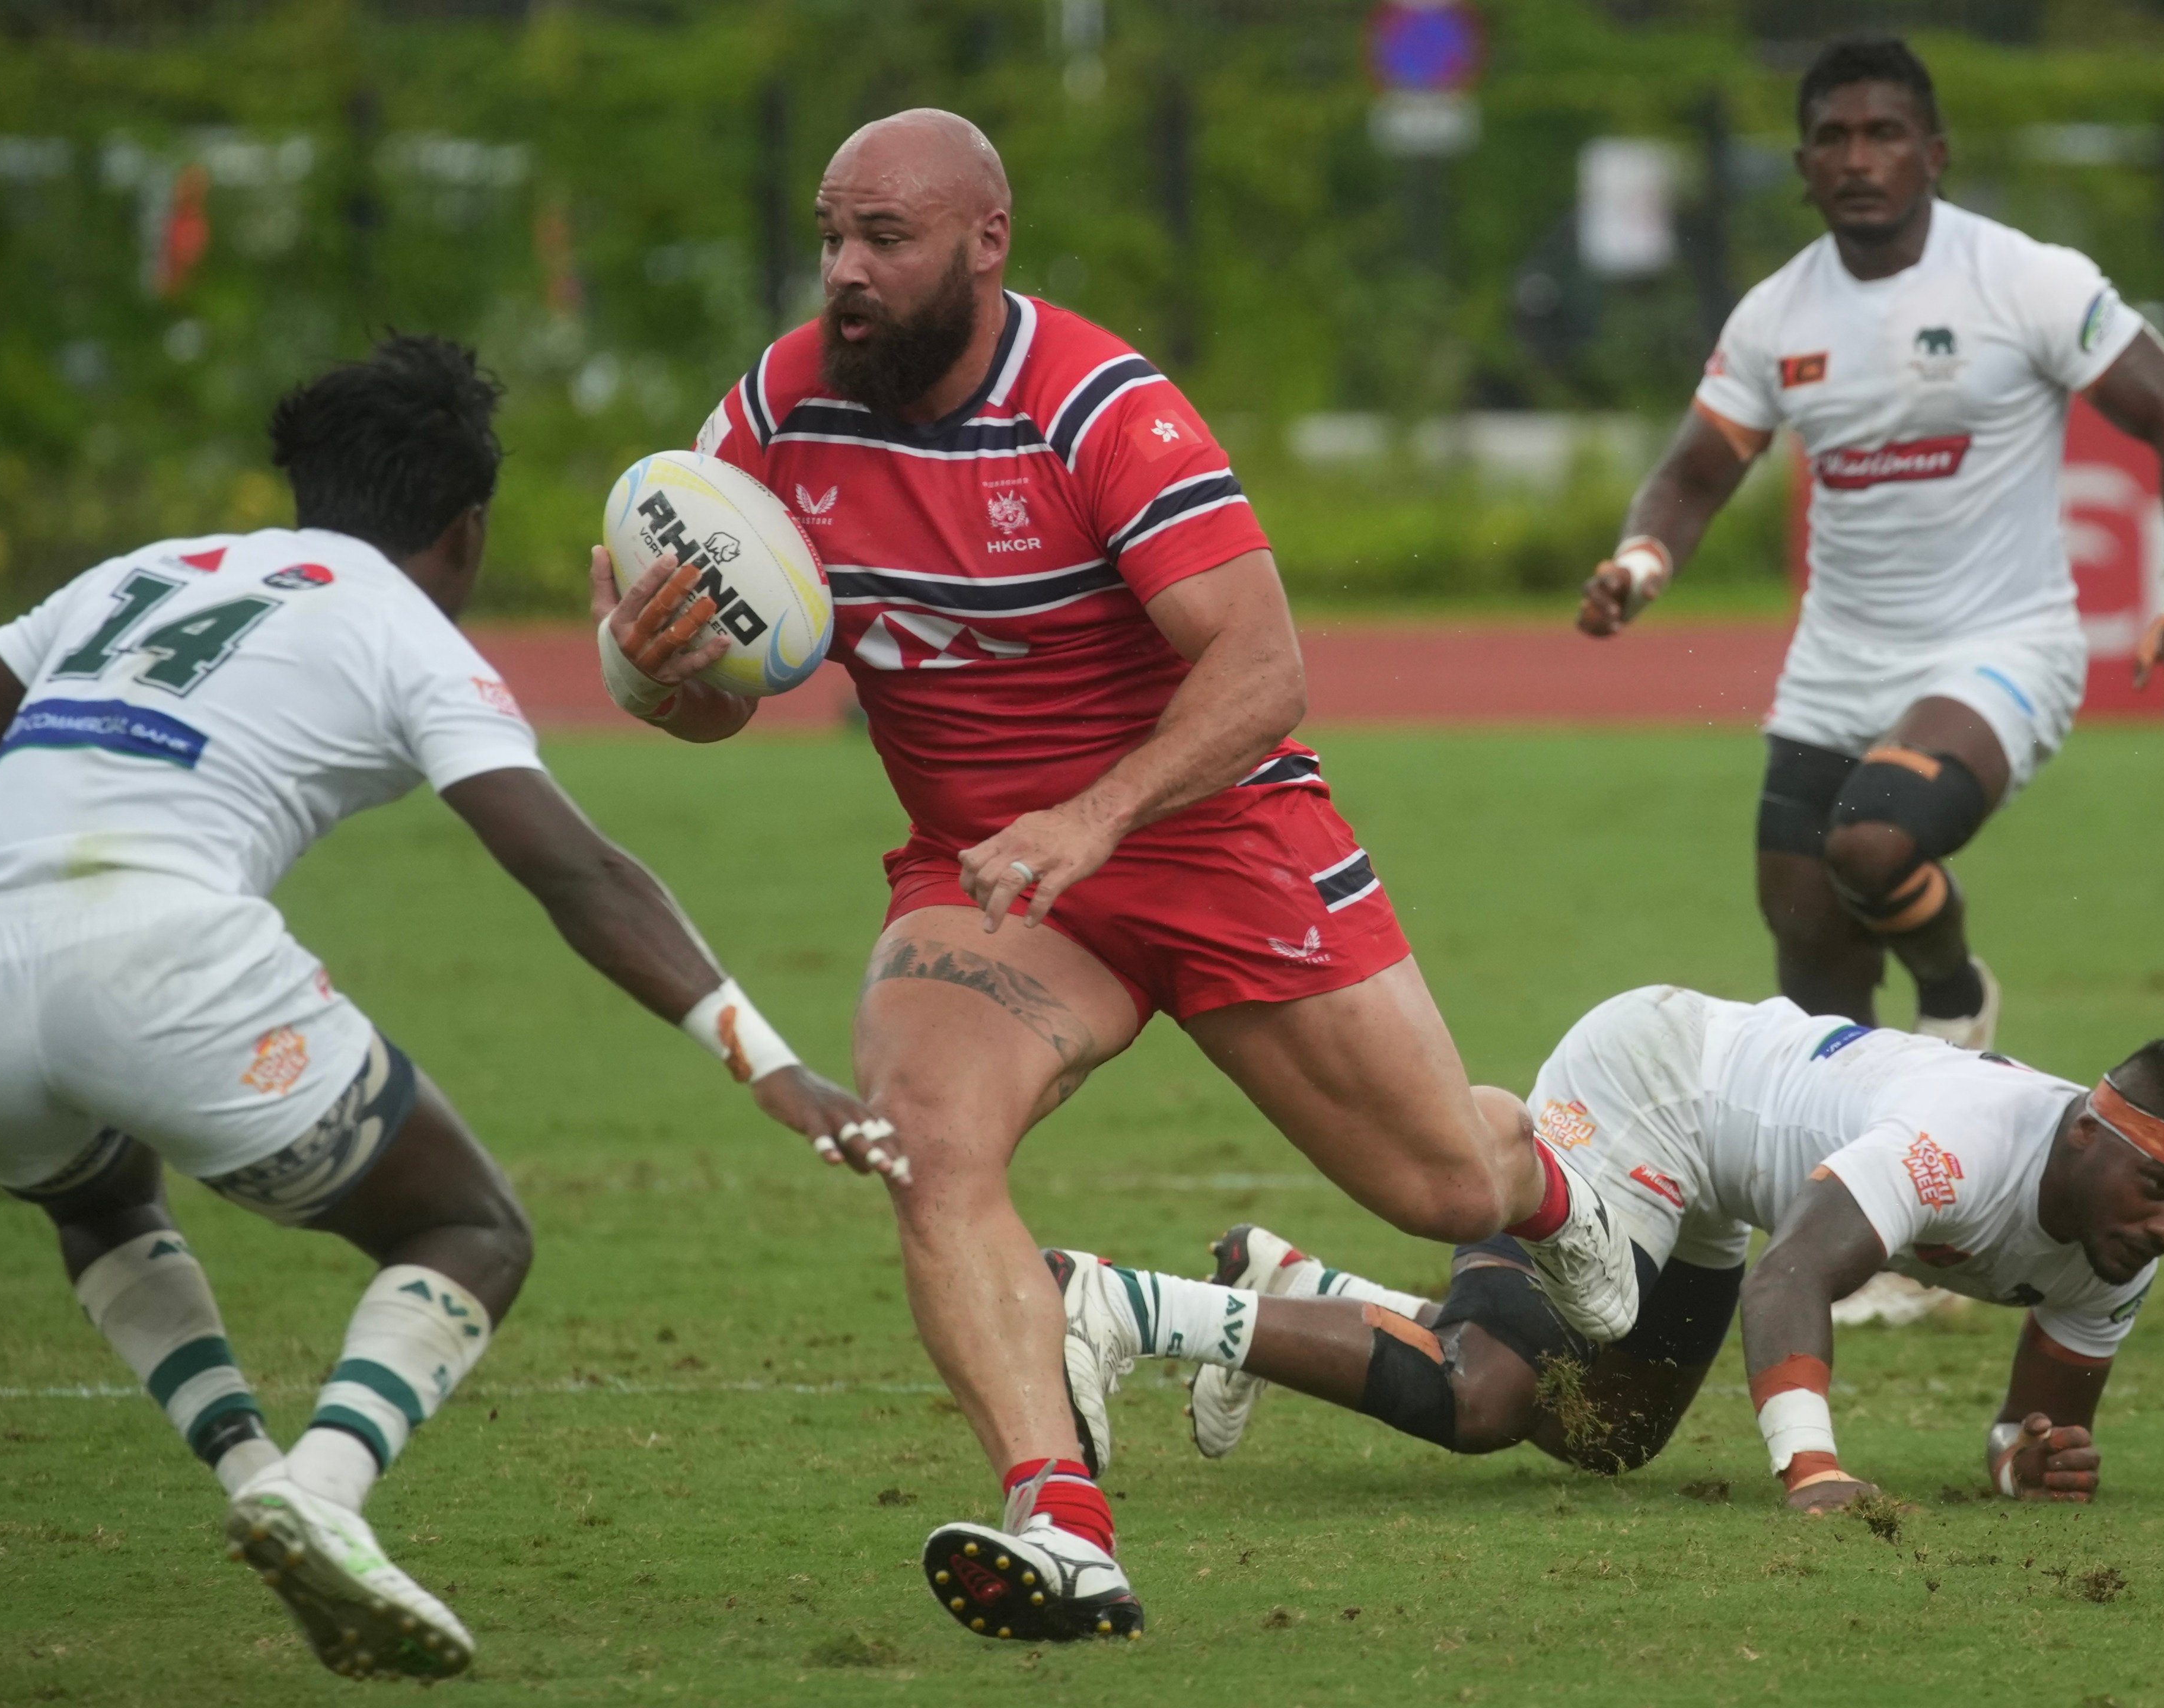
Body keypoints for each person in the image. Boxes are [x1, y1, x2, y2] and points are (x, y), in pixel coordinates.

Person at [588, 109, 1638, 1642]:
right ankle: (1060, 1518)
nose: (845, 273)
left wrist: (1093, 816)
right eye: (831, 237)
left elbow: (1266, 667)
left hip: (1210, 836)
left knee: (1433, 1182)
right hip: (990, 880)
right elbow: (718, 708)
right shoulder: (773, 416)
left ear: (985, 244)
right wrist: (646, 666)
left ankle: (1545, 1187)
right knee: (925, 1140)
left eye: (884, 239)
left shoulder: (1099, 408)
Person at [0, 336, 891, 1681]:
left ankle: (253, 1472)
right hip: (160, 961)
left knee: (100, 1198)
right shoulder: (402, 625)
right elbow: (573, 871)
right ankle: (321, 1490)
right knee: (469, 1228)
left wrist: (14, 861)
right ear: (464, 532)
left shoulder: (140, 575)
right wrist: (770, 1066)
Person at [1577, 37, 2164, 1047]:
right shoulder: (1776, 315)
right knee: (1809, 964)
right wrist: (1641, 559)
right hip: (1835, 666)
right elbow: (1695, 473)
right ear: (1803, 169)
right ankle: (1866, 1154)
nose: (1857, 157)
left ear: (1934, 153)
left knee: (1874, 843)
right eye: (1831, 138)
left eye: (1883, 133)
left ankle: (1957, 993)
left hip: (2001, 648)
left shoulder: (2026, 282)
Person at [1051, 986, 2164, 1510]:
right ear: (2085, 1131)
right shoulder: (1964, 1142)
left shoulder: (2114, 1253)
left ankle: (1296, 1286)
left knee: (1600, 1428)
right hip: (1657, 1086)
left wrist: (2015, 1465)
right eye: (2153, 1187)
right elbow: (1794, 1274)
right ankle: (1121, 1302)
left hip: (1715, 1175)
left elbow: (2022, 1428)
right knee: (1485, 1394)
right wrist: (1811, 1470)